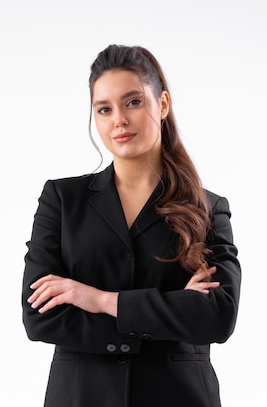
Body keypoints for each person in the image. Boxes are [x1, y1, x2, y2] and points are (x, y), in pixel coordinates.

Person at [22, 44, 241, 407]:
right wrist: (171, 311)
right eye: (104, 109)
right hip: (81, 397)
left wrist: (99, 299)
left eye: (133, 102)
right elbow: (39, 316)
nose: (118, 120)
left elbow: (217, 316)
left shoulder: (207, 208)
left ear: (163, 105)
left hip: (177, 397)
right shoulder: (62, 200)